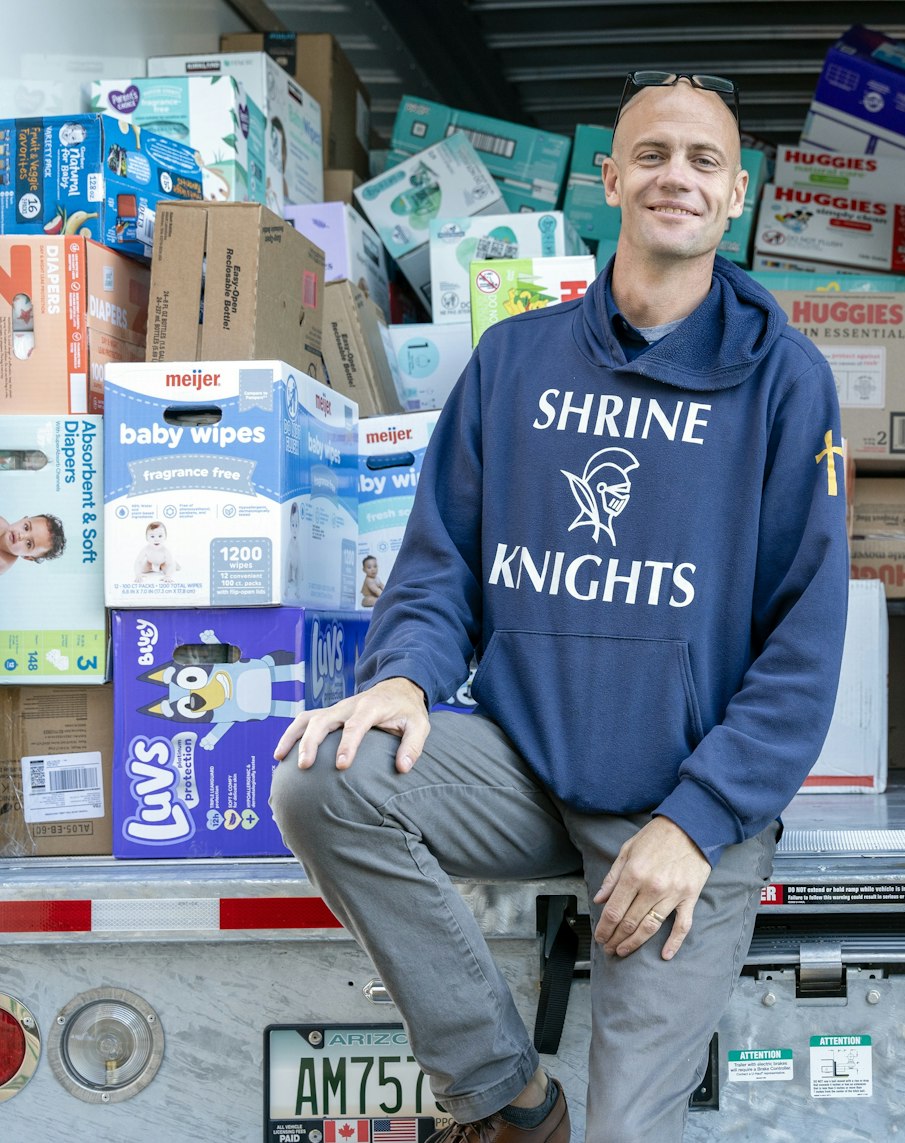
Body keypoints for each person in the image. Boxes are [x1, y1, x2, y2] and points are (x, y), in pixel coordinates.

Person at [270, 70, 847, 1143]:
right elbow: (440, 564)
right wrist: (400, 679)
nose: (678, 176)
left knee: (631, 1132)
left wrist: (697, 820)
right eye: (657, 154)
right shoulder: (517, 359)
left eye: (705, 162)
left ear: (736, 198)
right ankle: (504, 1097)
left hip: (678, 807)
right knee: (321, 776)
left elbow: (803, 644)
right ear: (611, 178)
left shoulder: (786, 383)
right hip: (528, 766)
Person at [0, 511, 65, 575]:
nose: (21, 536)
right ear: (23, 519)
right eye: (26, 527)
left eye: (29, 544)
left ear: (27, 557)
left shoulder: (2, 563)